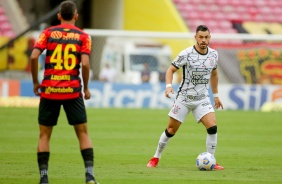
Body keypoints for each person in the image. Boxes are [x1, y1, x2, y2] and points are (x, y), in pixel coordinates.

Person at [30, 1, 99, 184]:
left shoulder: (47, 33)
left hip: (49, 90)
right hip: (72, 91)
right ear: (76, 16)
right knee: (83, 134)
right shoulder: (84, 36)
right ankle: (89, 176)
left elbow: (34, 56)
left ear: (59, 15)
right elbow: (84, 63)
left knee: (44, 135)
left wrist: (36, 83)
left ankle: (44, 179)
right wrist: (85, 88)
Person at [147, 25, 224, 170]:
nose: (203, 40)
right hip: (184, 98)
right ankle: (156, 156)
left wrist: (216, 95)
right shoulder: (186, 54)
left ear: (210, 38)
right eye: (200, 37)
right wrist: (168, 86)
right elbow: (171, 69)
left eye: (206, 37)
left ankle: (211, 161)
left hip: (202, 98)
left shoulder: (214, 54)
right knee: (171, 130)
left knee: (212, 127)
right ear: (195, 37)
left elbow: (214, 74)